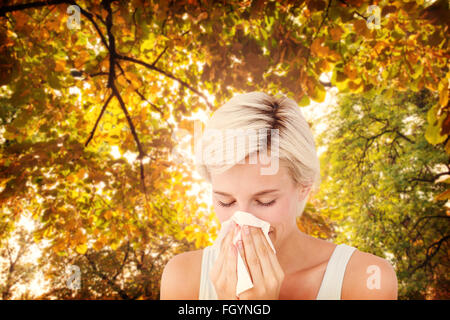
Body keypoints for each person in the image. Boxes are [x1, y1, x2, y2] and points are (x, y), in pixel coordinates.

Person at [160, 92, 397, 300]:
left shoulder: (365, 278)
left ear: (304, 187)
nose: (242, 221)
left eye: (265, 201)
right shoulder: (183, 277)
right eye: (226, 201)